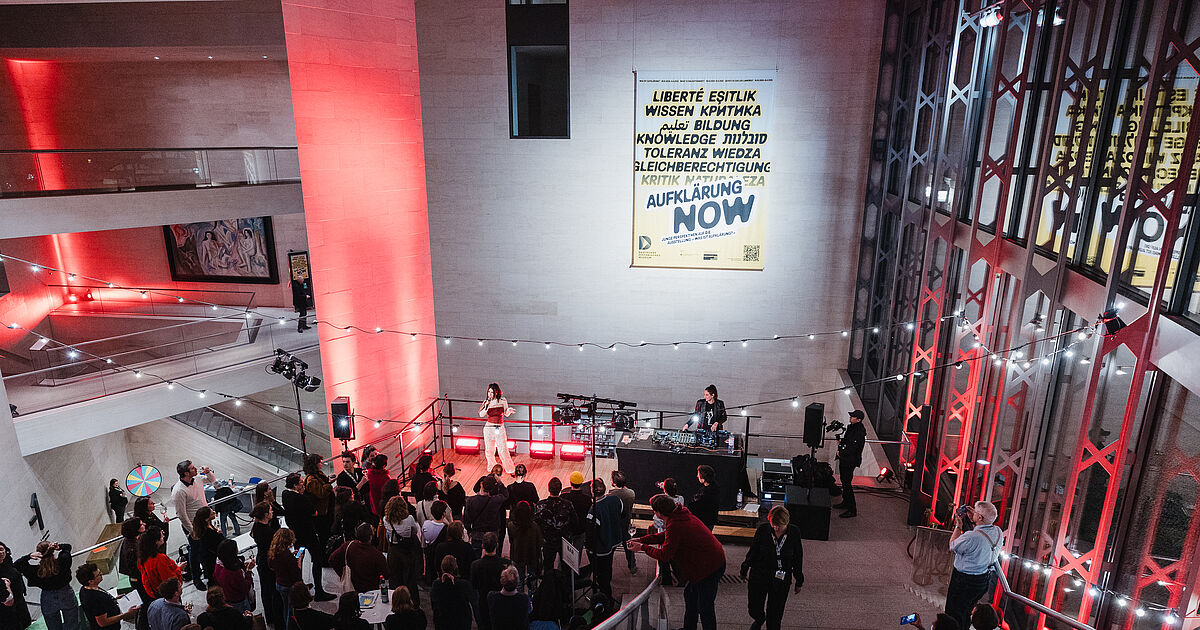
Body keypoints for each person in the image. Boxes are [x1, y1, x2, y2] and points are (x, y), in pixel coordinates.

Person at [627, 495, 725, 630]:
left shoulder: (676, 524)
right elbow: (666, 536)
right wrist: (642, 540)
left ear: (659, 513)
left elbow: (665, 555)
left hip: (708, 568)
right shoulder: (679, 515)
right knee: (690, 597)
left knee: (705, 607)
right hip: (708, 563)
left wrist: (642, 547)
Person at [740, 506, 803, 630]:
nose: (776, 528)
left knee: (775, 615)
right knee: (754, 608)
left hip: (780, 579)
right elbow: (753, 551)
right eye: (773, 524)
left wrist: (799, 580)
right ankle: (759, 618)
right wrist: (745, 568)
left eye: (779, 525)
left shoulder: (794, 532)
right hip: (759, 575)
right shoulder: (763, 530)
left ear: (786, 522)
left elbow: (798, 558)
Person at [945, 501, 1004, 630]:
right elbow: (980, 537)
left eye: (975, 512)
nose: (972, 512)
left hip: (964, 580)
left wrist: (959, 525)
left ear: (980, 517)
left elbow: (952, 545)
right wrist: (976, 518)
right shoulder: (998, 532)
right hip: (983, 579)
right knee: (967, 608)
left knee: (954, 611)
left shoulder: (972, 537)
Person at [171, 460, 217, 589]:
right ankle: (196, 578)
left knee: (208, 550)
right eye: (192, 468)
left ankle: (210, 575)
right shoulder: (179, 490)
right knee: (196, 552)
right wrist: (192, 530)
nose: (195, 469)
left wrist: (208, 472)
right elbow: (181, 513)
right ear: (186, 473)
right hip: (193, 525)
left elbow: (212, 480)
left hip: (206, 521)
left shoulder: (197, 479)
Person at [16, 541, 81, 630]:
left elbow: (17, 565)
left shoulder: (35, 571)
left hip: (47, 597)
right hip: (66, 593)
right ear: (52, 551)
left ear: (38, 553)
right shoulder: (63, 561)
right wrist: (59, 547)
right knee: (72, 624)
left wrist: (29, 556)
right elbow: (68, 547)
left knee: (53, 627)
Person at [304, 454, 337, 601]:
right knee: (320, 545)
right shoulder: (311, 480)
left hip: (326, 513)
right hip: (320, 517)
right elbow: (322, 492)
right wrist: (330, 484)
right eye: (320, 462)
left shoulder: (318, 475)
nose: (322, 464)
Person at [586, 478, 624, 600]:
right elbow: (621, 513)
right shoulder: (616, 499)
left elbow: (591, 535)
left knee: (601, 574)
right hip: (614, 541)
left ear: (592, 491)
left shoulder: (593, 511)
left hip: (601, 548)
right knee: (608, 568)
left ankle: (604, 598)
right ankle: (605, 591)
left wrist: (590, 549)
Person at [382, 496, 423, 607]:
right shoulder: (409, 519)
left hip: (393, 551)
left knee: (395, 578)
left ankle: (395, 602)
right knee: (410, 579)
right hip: (406, 550)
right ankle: (413, 604)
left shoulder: (385, 520)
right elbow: (414, 531)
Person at [249, 502, 283, 629]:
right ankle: (276, 617)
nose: (272, 512)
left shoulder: (257, 526)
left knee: (265, 590)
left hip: (262, 559)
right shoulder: (268, 531)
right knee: (273, 591)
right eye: (270, 510)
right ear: (265, 514)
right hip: (268, 562)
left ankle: (269, 616)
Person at [533, 477, 577, 572]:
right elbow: (575, 521)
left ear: (548, 489)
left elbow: (535, 523)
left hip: (547, 541)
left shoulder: (541, 505)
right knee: (566, 568)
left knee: (548, 567)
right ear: (560, 489)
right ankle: (564, 586)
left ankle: (549, 585)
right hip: (564, 540)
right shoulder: (568, 504)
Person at [329, 523, 388, 594]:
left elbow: (332, 559)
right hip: (371, 589)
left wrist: (342, 574)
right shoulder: (377, 555)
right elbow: (386, 574)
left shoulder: (348, 545)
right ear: (370, 537)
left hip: (352, 587)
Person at [77, 562, 138, 629]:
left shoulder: (85, 589)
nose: (102, 574)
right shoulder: (94, 598)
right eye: (99, 575)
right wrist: (125, 615)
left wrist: (114, 600)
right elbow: (103, 622)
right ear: (90, 581)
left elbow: (103, 605)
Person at [469, 532, 510, 630]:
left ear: (482, 546)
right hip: (501, 601)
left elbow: (474, 585)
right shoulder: (505, 565)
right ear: (497, 545)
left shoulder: (475, 565)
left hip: (483, 601)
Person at [464, 476, 509, 557]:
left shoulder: (470, 501)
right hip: (492, 534)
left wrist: (469, 531)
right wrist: (500, 483)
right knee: (493, 558)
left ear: (481, 484)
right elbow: (505, 494)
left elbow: (467, 520)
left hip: (476, 534)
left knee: (476, 557)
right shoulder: (495, 500)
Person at [477, 382, 517, 475]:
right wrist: (487, 406)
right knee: (489, 450)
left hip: (499, 427)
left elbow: (505, 413)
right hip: (489, 428)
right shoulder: (486, 402)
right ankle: (492, 467)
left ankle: (509, 469)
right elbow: (481, 414)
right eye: (489, 392)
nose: (490, 394)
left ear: (496, 392)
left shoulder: (503, 400)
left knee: (503, 449)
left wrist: (509, 411)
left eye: (492, 392)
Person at [137, 528, 184, 605]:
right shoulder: (160, 559)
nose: (163, 537)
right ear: (156, 541)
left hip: (154, 594)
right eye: (161, 537)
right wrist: (179, 568)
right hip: (169, 595)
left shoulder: (141, 559)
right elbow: (170, 580)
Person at [834, 409, 867, 518]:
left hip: (850, 460)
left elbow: (853, 447)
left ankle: (852, 509)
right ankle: (845, 502)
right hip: (846, 459)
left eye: (853, 417)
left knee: (847, 484)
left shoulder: (858, 432)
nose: (850, 418)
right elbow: (848, 441)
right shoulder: (852, 428)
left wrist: (841, 452)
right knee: (844, 481)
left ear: (858, 420)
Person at [653, 478, 686, 586]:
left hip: (665, 534)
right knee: (675, 557)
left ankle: (667, 581)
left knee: (664, 558)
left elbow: (657, 524)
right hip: (678, 533)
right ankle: (681, 579)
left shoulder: (662, 502)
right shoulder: (681, 499)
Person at [268, 529, 303, 626]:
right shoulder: (287, 556)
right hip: (288, 585)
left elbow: (272, 566)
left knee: (285, 607)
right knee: (290, 611)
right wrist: (299, 561)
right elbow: (296, 574)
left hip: (279, 583)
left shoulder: (274, 552)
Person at [430, 556, 474, 630]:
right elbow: (471, 599)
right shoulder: (464, 585)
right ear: (456, 567)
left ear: (442, 567)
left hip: (442, 621)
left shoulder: (436, 585)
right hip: (461, 621)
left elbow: (434, 605)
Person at [505, 500, 542, 589]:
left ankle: (519, 598)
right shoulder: (535, 526)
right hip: (532, 555)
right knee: (532, 580)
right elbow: (540, 542)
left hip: (517, 554)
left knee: (518, 580)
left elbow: (511, 541)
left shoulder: (510, 525)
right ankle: (532, 597)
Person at [213, 539, 255, 613]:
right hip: (239, 600)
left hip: (227, 598)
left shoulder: (218, 564)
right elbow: (244, 587)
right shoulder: (233, 571)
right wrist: (249, 571)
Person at [190, 507, 225, 594]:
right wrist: (220, 535)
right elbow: (219, 544)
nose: (214, 512)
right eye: (212, 513)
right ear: (206, 519)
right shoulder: (207, 532)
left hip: (210, 558)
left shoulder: (205, 528)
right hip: (212, 560)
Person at [608, 471, 637, 575]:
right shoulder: (631, 493)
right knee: (629, 547)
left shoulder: (611, 495)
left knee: (610, 549)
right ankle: (632, 566)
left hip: (614, 526)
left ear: (614, 483)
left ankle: (607, 567)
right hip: (626, 524)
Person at [0, 540, 33, 630]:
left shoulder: (7, 561)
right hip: (7, 608)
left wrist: (28, 557)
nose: (1, 553)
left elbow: (15, 568)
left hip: (20, 601)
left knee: (26, 622)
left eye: (1, 549)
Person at [118, 519, 149, 604]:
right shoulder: (132, 548)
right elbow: (135, 567)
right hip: (140, 580)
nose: (144, 524)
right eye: (141, 524)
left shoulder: (130, 541)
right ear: (135, 529)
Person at [421, 502, 453, 584]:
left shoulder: (426, 524)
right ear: (444, 514)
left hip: (429, 552)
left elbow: (424, 541)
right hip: (442, 554)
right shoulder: (446, 528)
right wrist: (449, 524)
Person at [560, 472, 592, 541]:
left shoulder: (564, 497)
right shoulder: (587, 499)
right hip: (581, 530)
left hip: (568, 530)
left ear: (570, 482)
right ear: (581, 484)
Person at [688, 465, 719, 531]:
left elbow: (698, 506)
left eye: (698, 474)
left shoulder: (708, 492)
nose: (697, 476)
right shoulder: (712, 487)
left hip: (705, 521)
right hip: (709, 520)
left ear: (704, 477)